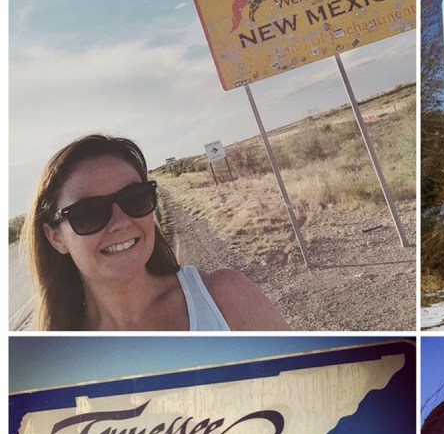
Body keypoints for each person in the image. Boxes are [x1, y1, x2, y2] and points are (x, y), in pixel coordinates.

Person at [25, 134, 288, 330]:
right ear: (55, 237)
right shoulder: (51, 354)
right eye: (89, 213)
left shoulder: (225, 296)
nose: (121, 222)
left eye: (135, 198)